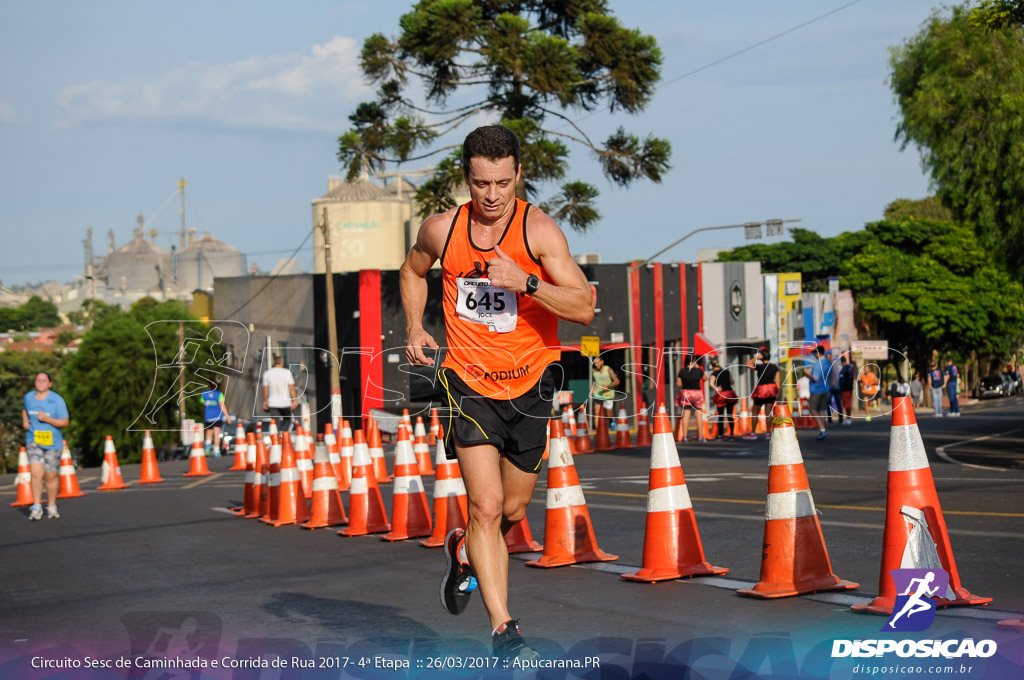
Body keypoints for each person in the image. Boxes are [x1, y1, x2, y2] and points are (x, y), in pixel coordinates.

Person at [399, 124, 594, 661]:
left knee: (512, 506)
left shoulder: (540, 232)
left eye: (502, 183)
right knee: (484, 506)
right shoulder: (443, 230)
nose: (491, 196)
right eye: (481, 183)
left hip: (530, 382)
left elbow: (583, 306)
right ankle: (505, 631)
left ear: (518, 175)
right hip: (467, 382)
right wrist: (415, 327)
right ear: (467, 177)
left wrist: (525, 281)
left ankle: (463, 550)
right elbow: (413, 271)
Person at [21, 372, 69, 520]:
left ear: (49, 383)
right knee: (36, 474)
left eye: (44, 380)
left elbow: (65, 422)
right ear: (35, 382)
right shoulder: (29, 397)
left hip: (53, 443)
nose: (41, 383)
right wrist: (24, 421)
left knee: (51, 476)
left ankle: (52, 505)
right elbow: (25, 409)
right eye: (38, 380)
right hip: (33, 441)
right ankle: (36, 506)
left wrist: (47, 419)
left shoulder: (57, 400)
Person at [744, 347, 781, 440]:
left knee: (755, 411)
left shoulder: (759, 367)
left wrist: (756, 358)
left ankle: (753, 433)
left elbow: (747, 364)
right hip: (771, 390)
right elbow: (778, 382)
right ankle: (768, 433)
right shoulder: (774, 367)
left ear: (762, 357)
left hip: (761, 390)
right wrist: (777, 392)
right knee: (768, 412)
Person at [675, 353, 706, 443]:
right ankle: (700, 436)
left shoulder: (682, 371)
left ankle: (685, 436)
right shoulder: (698, 371)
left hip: (686, 393)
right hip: (697, 393)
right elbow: (705, 378)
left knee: (686, 415)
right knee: (698, 415)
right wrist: (697, 367)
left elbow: (679, 384)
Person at [262, 355, 297, 433]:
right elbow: (291, 388)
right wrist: (294, 400)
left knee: (275, 423)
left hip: (273, 403)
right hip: (285, 403)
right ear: (282, 363)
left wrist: (265, 401)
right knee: (289, 421)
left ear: (274, 363)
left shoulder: (267, 373)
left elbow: (265, 389)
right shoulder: (287, 373)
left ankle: (277, 438)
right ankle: (285, 435)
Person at [803, 345, 832, 440]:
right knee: (821, 410)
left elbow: (815, 378)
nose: (814, 355)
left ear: (818, 353)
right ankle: (823, 430)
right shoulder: (828, 362)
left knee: (813, 409)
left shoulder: (818, 364)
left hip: (816, 389)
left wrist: (808, 374)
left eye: (814, 353)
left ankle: (822, 429)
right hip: (826, 388)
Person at [708, 358, 738, 439]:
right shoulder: (726, 372)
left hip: (721, 395)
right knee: (730, 415)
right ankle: (731, 434)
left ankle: (720, 434)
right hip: (729, 394)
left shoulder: (714, 373)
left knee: (721, 415)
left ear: (712, 365)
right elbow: (732, 382)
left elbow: (711, 383)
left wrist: (716, 389)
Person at [199, 380, 229, 456]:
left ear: (209, 385)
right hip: (218, 417)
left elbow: (202, 402)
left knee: (209, 434)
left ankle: (207, 450)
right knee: (216, 434)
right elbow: (222, 406)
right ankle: (216, 451)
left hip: (208, 417)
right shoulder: (219, 394)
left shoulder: (204, 394)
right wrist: (227, 417)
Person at [590, 356, 620, 429]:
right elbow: (595, 381)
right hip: (597, 394)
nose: (596, 364)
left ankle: (612, 421)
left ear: (602, 362)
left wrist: (608, 387)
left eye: (598, 362)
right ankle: (598, 431)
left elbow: (617, 381)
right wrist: (592, 388)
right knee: (597, 412)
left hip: (608, 394)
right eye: (595, 363)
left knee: (608, 413)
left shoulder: (608, 370)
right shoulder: (594, 371)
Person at [826, 351, 844, 425]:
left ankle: (830, 420)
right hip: (836, 386)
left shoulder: (827, 365)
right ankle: (840, 419)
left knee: (829, 404)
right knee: (838, 402)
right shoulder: (835, 364)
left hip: (830, 386)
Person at [838, 355, 856, 425]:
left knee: (846, 404)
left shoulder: (845, 369)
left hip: (845, 389)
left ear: (841, 361)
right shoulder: (849, 367)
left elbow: (842, 379)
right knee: (847, 404)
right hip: (849, 388)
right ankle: (848, 418)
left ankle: (848, 418)